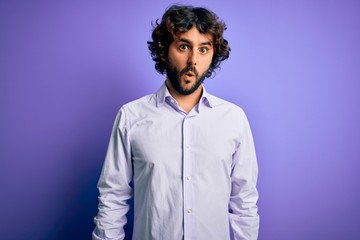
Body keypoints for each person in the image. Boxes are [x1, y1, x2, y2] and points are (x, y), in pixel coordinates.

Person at [92, 4, 259, 240]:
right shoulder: (131, 116)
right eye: (184, 46)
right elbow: (112, 198)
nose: (193, 60)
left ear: (213, 55)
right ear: (163, 50)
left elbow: (245, 204)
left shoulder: (234, 119)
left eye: (204, 49)